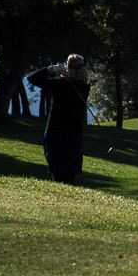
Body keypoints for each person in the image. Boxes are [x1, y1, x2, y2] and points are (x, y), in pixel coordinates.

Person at [26, 54, 91, 184]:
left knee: (58, 176)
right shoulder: (85, 87)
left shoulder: (60, 85)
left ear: (68, 68)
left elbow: (32, 78)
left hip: (56, 136)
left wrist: (51, 69)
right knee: (70, 178)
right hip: (74, 138)